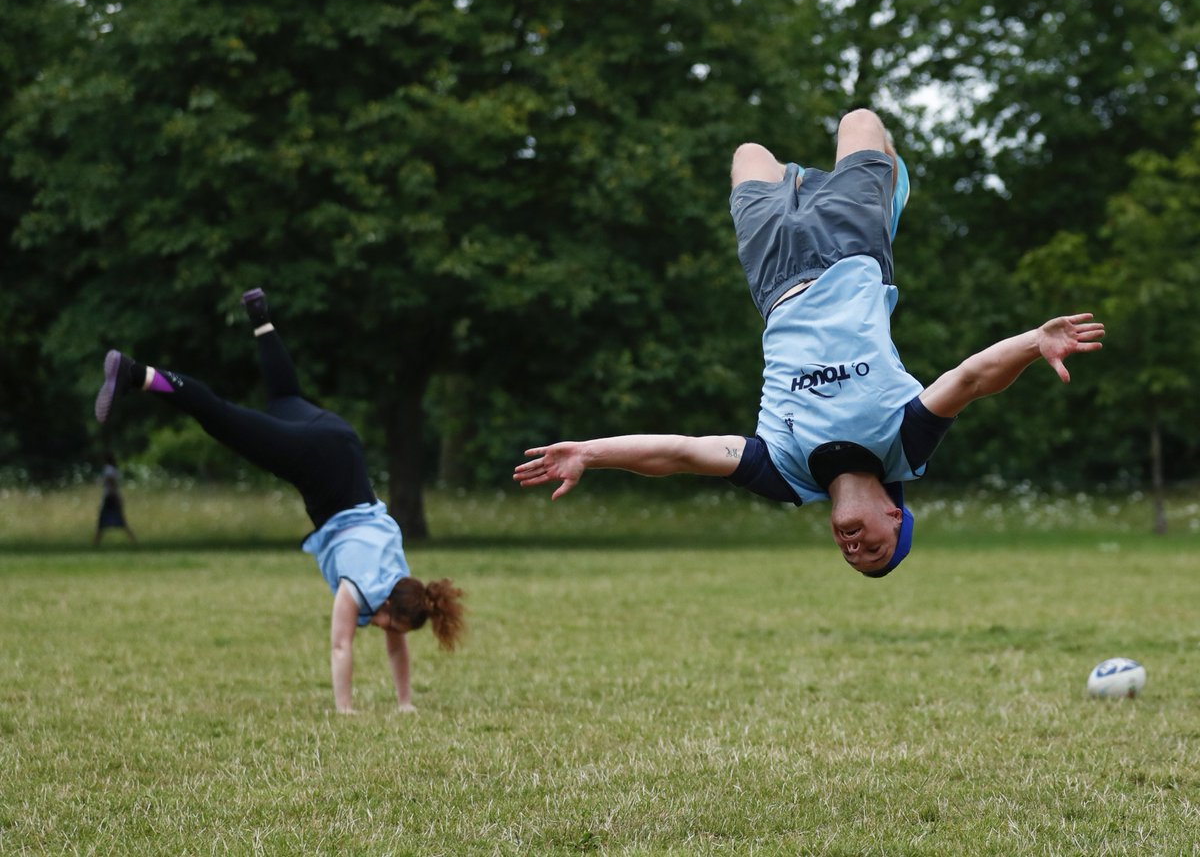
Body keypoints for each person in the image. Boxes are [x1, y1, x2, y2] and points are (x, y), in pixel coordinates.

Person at [514, 109, 1104, 577]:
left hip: (773, 275)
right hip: (851, 248)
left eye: (852, 559)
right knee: (859, 122)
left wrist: (592, 451)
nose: (855, 550)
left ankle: (802, 184)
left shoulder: (786, 475)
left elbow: (683, 454)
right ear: (893, 516)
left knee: (748, 155)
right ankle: (885, 195)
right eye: (875, 550)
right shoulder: (906, 443)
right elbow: (971, 380)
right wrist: (1032, 341)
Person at [93, 288, 466, 713]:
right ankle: (135, 372)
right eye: (386, 620)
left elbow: (397, 648)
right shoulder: (361, 588)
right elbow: (341, 645)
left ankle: (260, 317)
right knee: (222, 419)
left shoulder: (399, 578)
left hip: (342, 443)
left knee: (284, 399)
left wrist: (406, 704)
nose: (381, 627)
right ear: (392, 603)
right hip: (319, 464)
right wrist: (345, 710)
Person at [93, 452, 137, 546]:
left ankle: (96, 542)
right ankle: (132, 539)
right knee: (120, 521)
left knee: (102, 522)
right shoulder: (114, 469)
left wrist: (114, 495)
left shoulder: (108, 469)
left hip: (110, 497)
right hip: (113, 497)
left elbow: (111, 483)